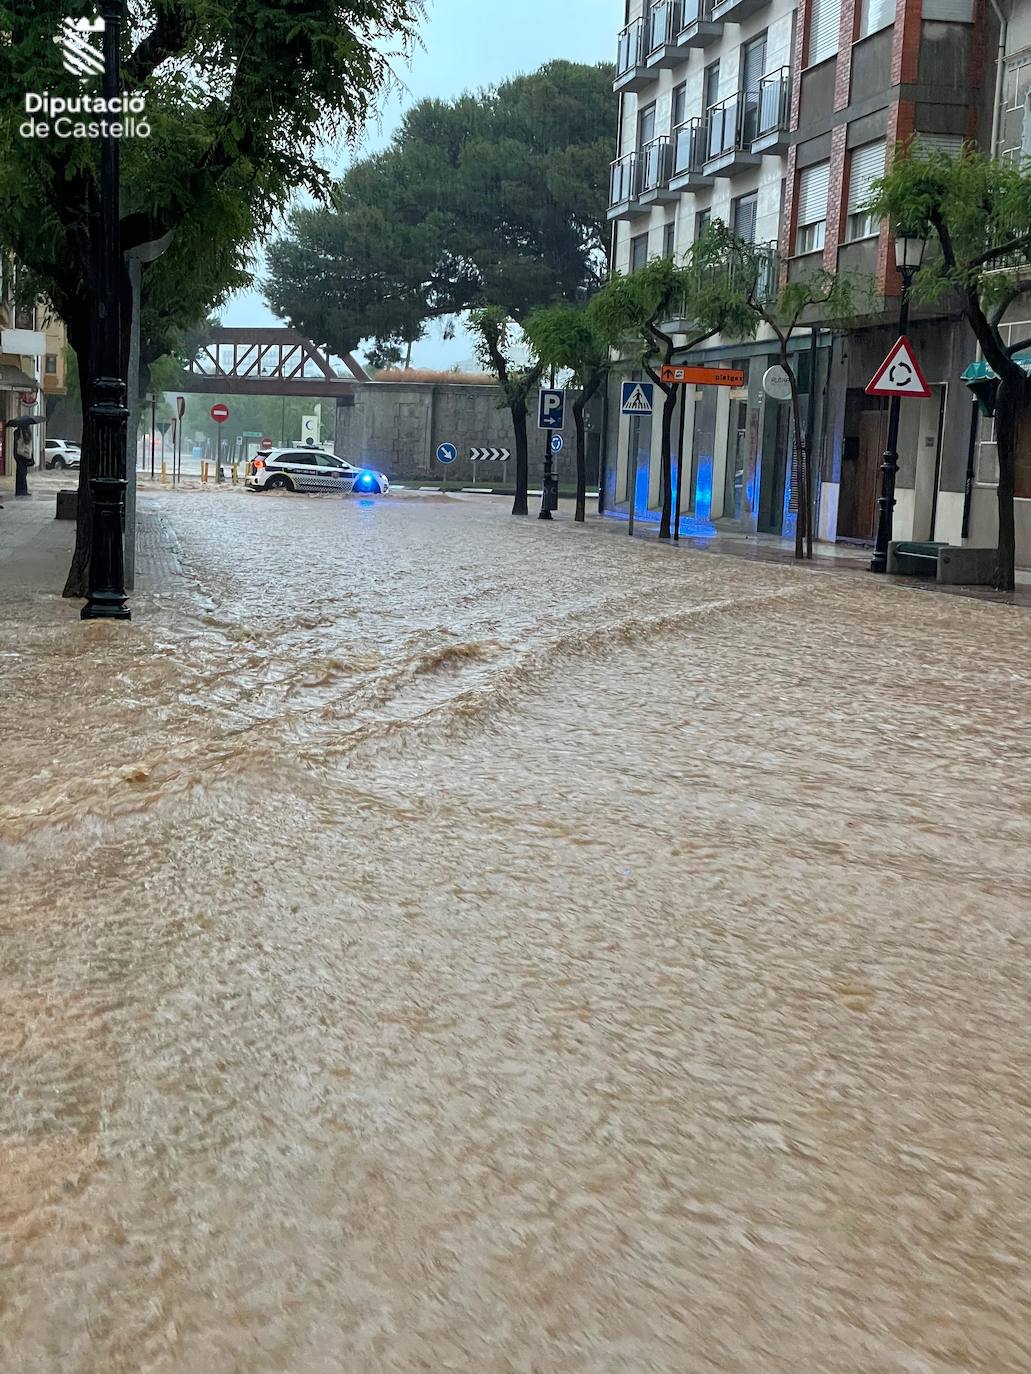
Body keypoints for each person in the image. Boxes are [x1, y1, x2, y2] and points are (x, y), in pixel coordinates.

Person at [13, 424, 34, 498]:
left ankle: (22, 490)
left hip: (23, 455)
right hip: (21, 455)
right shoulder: (18, 432)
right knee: (21, 473)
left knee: (23, 473)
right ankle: (21, 491)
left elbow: (28, 442)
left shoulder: (26, 432)